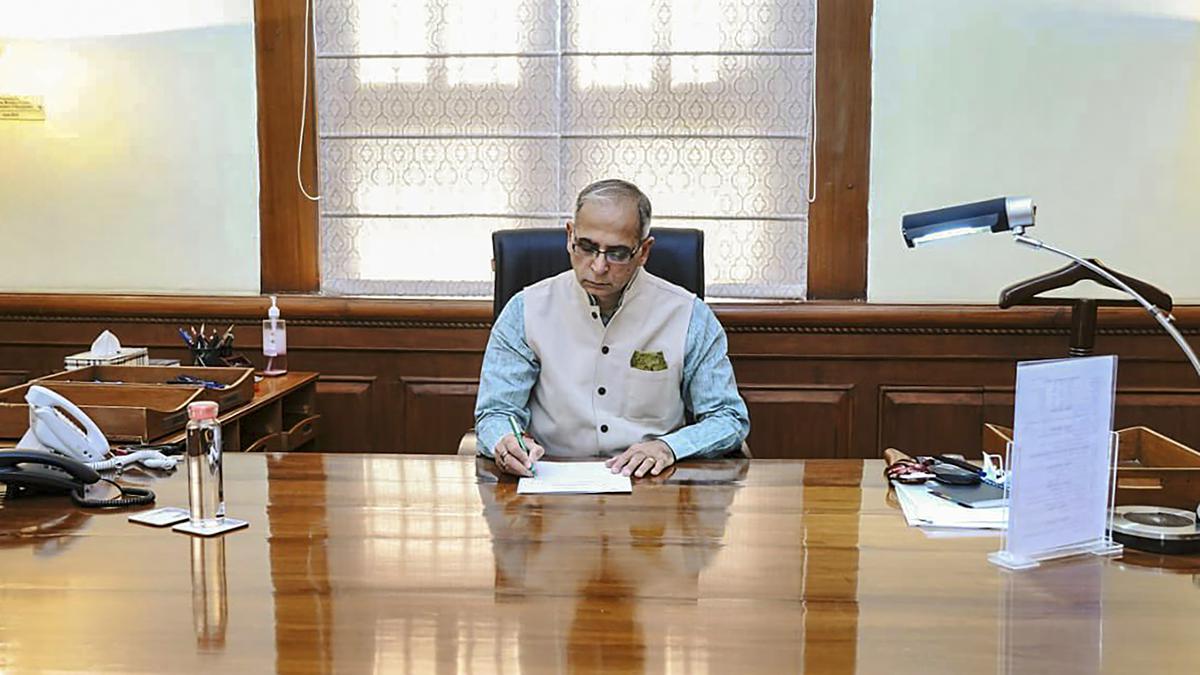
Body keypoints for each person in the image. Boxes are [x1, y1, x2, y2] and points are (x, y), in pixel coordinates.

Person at [474, 178, 750, 477]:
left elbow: (728, 418)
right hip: (549, 477)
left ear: (643, 251)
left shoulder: (689, 316)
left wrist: (669, 447)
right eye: (586, 247)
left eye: (617, 253)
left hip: (653, 483)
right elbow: (496, 412)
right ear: (570, 236)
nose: (598, 266)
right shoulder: (524, 310)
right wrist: (505, 441)